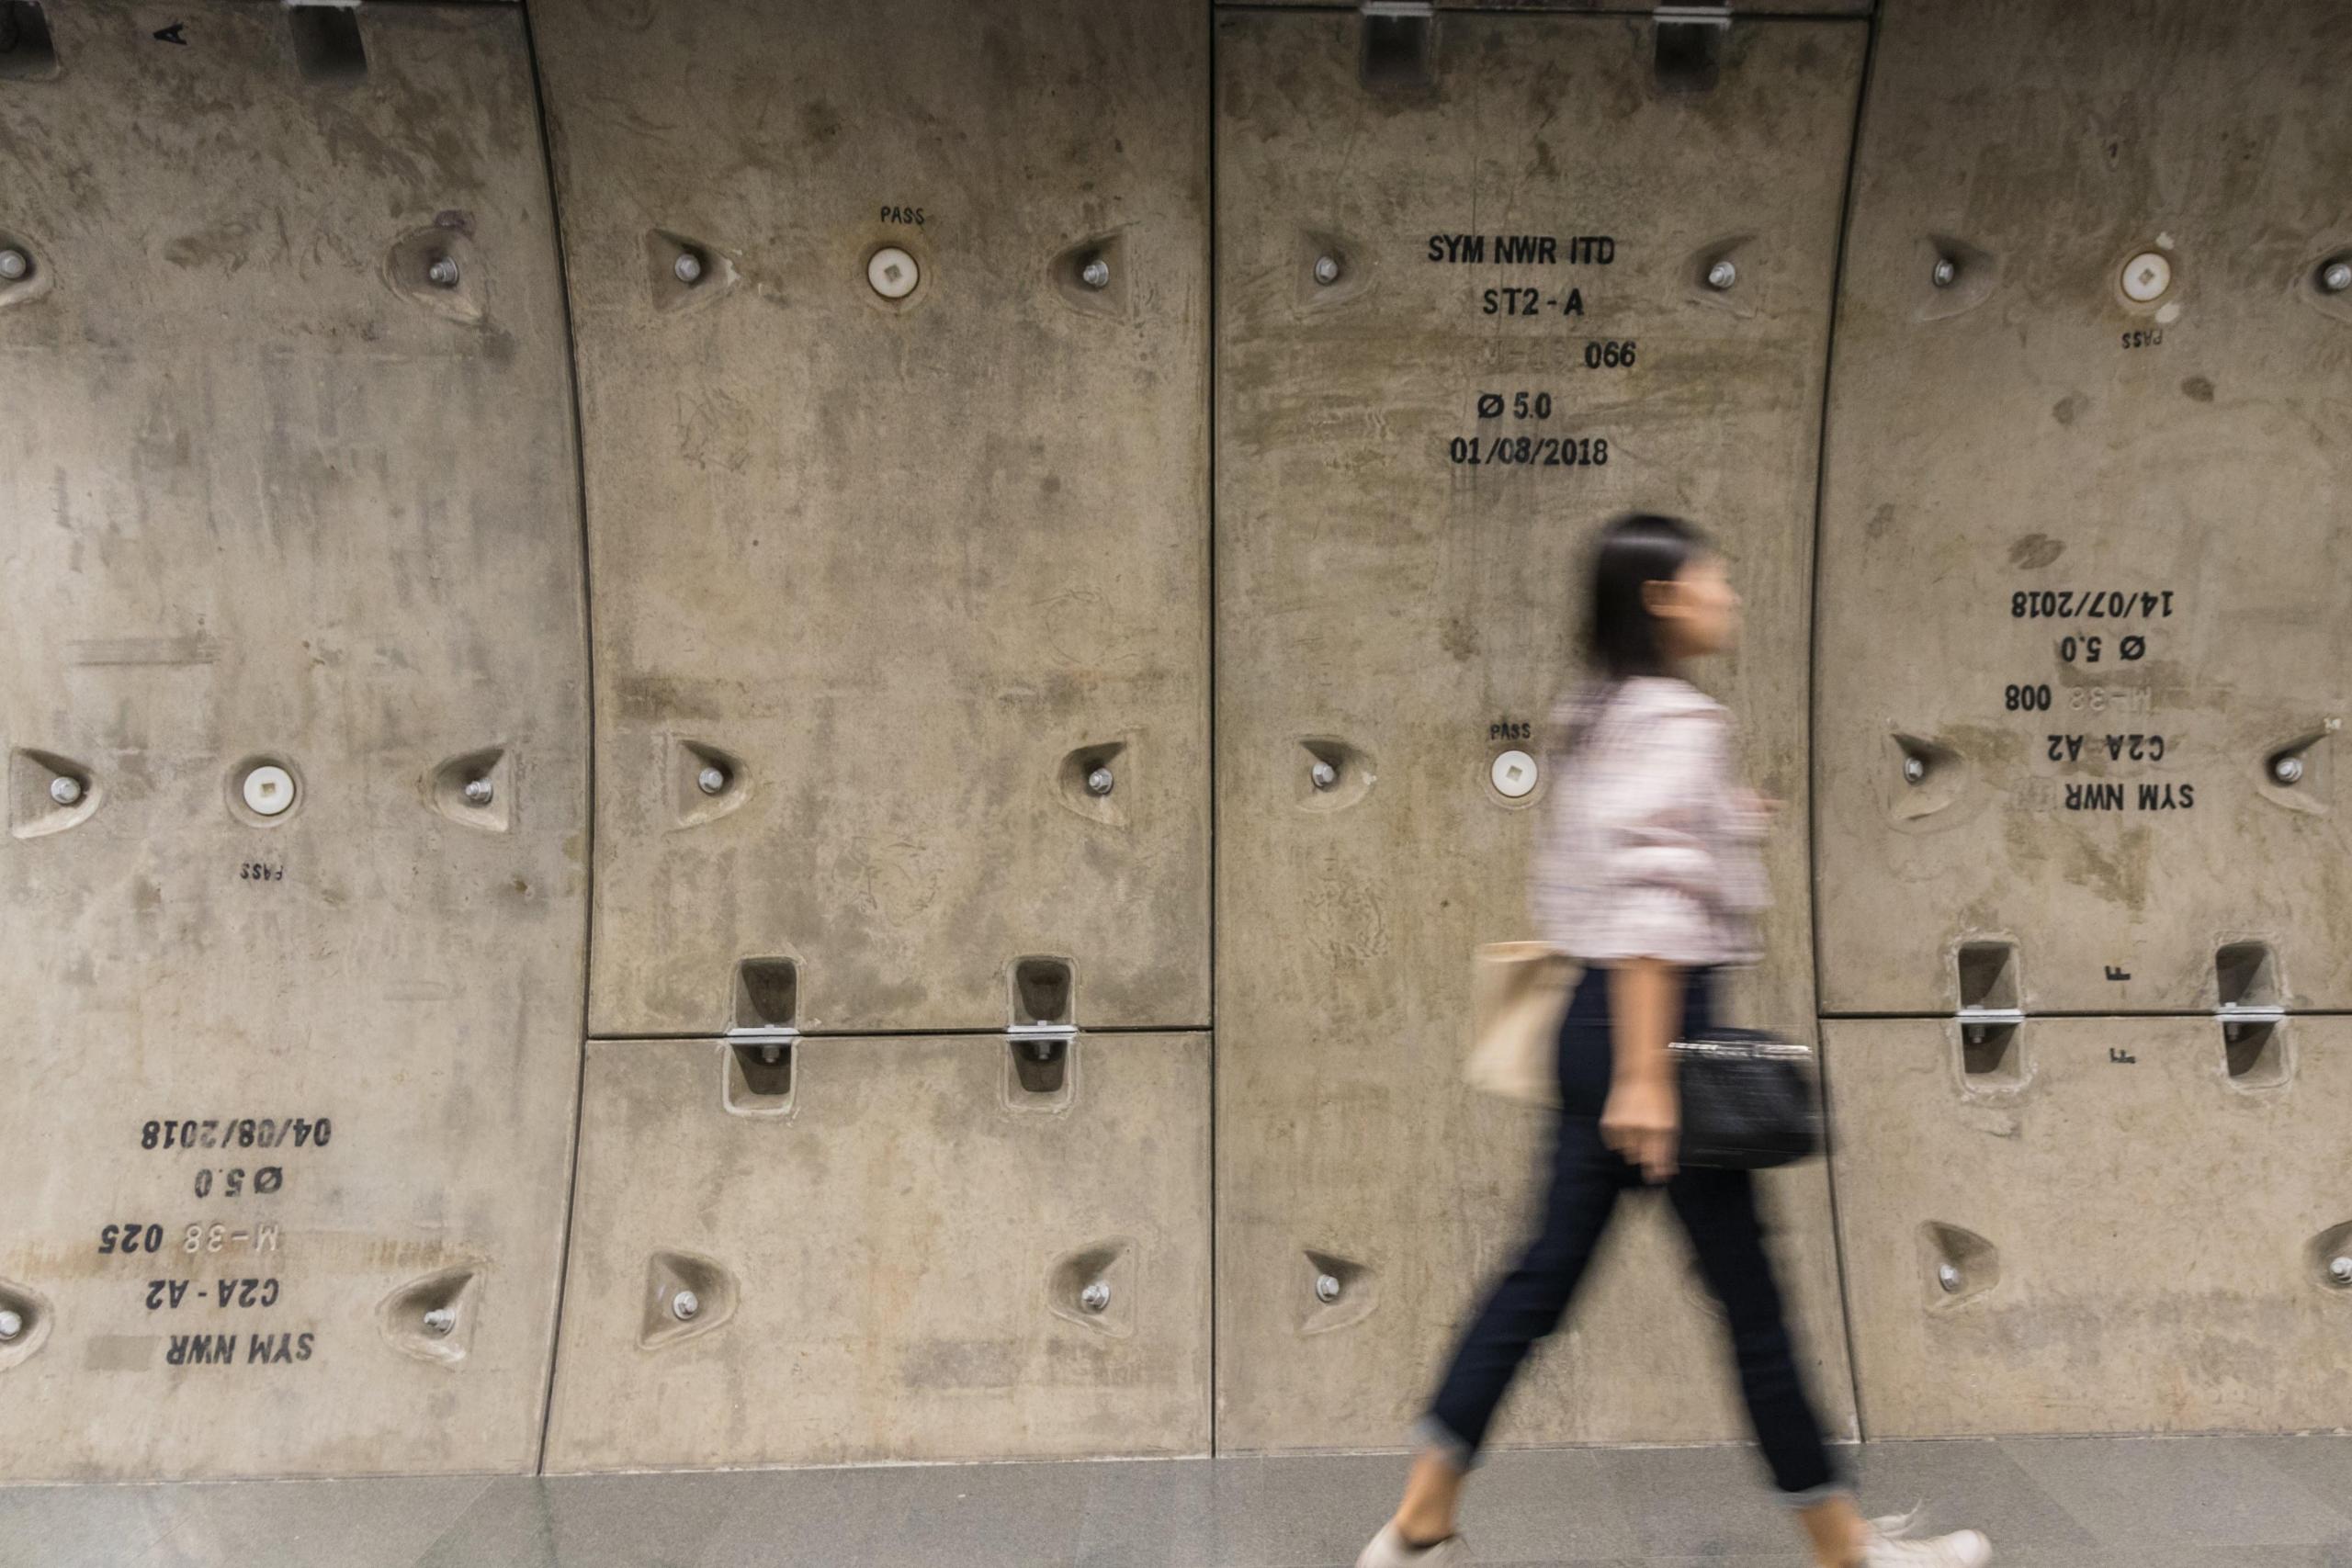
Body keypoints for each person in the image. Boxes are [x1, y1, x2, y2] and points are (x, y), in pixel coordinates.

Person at [1356, 513, 1992, 1568]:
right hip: (1654, 1031)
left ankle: (1419, 1521)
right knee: (1750, 1301)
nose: (1730, 598)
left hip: (1587, 1023)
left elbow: (1605, 869)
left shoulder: (1597, 714)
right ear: (1662, 600)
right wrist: (1649, 1079)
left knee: (1537, 1283)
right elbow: (1650, 906)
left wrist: (1725, 817)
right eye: (1715, 582)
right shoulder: (1676, 718)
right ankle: (1845, 1550)